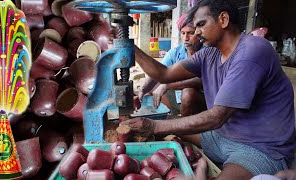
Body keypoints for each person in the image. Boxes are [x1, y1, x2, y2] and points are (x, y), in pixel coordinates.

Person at [122, 0, 296, 179]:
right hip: (223, 136)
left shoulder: (252, 51)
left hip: (260, 147)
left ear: (223, 19)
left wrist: (155, 126)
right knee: (173, 126)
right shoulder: (209, 53)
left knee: (166, 126)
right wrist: (128, 45)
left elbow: (217, 116)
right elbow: (164, 74)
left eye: (201, 25)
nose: (196, 32)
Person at [138, 13, 206, 116]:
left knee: (188, 92)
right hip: (178, 97)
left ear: (199, 33)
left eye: (190, 33)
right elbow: (158, 72)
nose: (185, 38)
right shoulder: (176, 52)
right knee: (153, 87)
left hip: (202, 100)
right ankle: (175, 113)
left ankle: (185, 126)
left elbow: (200, 81)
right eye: (183, 33)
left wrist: (167, 86)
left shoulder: (207, 52)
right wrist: (144, 89)